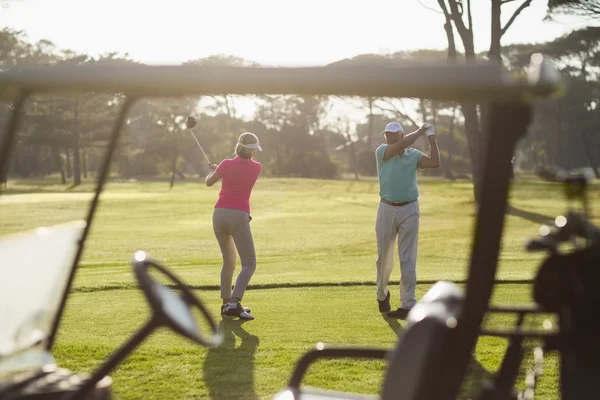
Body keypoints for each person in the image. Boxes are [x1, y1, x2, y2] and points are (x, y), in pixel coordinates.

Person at [375, 121, 440, 319]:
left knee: (408, 259)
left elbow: (435, 162)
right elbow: (401, 145)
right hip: (387, 208)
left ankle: (408, 305)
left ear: (401, 134)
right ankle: (382, 294)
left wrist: (431, 137)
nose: (389, 137)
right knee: (384, 259)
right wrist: (420, 131)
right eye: (387, 134)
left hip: (410, 208)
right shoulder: (382, 151)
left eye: (393, 134)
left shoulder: (414, 156)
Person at [205, 132, 263, 321]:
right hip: (238, 216)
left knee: (228, 261)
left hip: (219, 214)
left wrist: (216, 171)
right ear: (253, 151)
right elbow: (239, 174)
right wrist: (221, 171)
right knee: (249, 263)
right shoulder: (256, 167)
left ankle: (226, 304)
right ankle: (233, 304)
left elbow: (209, 182)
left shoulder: (225, 165)